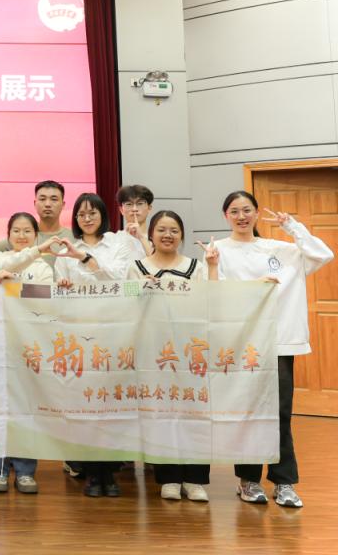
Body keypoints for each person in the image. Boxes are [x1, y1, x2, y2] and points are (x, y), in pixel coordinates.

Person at [215, 191, 333, 509]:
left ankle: (284, 482)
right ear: (225, 215)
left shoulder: (281, 249)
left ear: (256, 213)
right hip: (243, 343)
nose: (242, 216)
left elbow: (323, 255)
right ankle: (248, 480)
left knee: (280, 413)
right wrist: (253, 287)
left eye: (247, 210)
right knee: (248, 412)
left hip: (280, 341)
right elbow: (216, 292)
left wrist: (292, 226)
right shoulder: (219, 250)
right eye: (234, 211)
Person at [125, 210, 218, 502]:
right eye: (162, 230)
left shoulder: (195, 267)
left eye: (174, 230)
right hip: (153, 352)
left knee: (194, 414)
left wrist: (213, 266)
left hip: (190, 352)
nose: (168, 235)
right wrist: (141, 289)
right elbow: (125, 304)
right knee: (161, 414)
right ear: (151, 234)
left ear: (182, 235)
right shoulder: (136, 267)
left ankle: (195, 479)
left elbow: (212, 302)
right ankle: (168, 478)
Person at [52, 192, 132, 498]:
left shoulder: (117, 243)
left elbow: (120, 279)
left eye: (92, 213)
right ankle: (92, 474)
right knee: (84, 404)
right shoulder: (65, 250)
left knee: (110, 404)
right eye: (81, 214)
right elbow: (58, 292)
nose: (87, 218)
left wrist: (85, 259)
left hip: (113, 333)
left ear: (103, 215)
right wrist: (63, 286)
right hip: (79, 334)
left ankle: (109, 473)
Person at [0, 211, 56, 493]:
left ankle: (24, 471)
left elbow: (44, 301)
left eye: (27, 231)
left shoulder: (44, 268)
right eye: (16, 231)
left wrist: (14, 285)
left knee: (25, 407)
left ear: (36, 235)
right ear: (8, 235)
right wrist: (3, 278)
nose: (22, 236)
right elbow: (8, 265)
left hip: (26, 342)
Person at [0, 180, 72, 269]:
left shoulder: (74, 237)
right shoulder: (23, 236)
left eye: (54, 199)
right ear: (35, 203)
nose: (47, 204)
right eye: (42, 199)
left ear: (63, 205)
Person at [114, 184, 154, 260]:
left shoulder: (157, 239)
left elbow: (160, 265)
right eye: (129, 204)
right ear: (121, 210)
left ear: (149, 208)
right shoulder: (115, 240)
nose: (134, 209)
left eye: (140, 204)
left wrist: (142, 237)